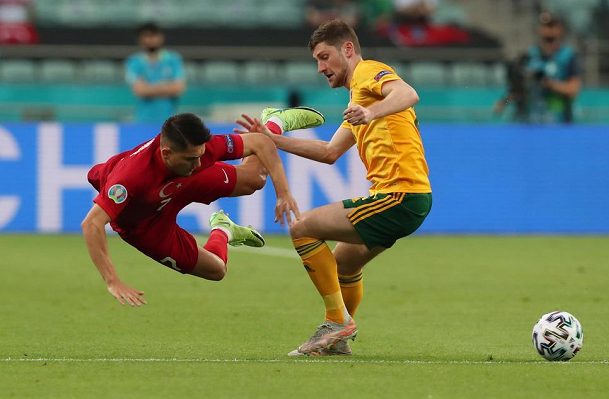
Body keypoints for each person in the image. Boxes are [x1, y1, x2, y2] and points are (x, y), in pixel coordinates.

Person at [236, 19, 432, 356]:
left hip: (400, 194)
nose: (320, 67)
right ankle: (338, 341)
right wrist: (271, 139)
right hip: (407, 198)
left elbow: (408, 93)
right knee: (344, 266)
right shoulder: (359, 100)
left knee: (301, 228)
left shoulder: (369, 73)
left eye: (324, 57)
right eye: (316, 61)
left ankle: (337, 322)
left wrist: (371, 114)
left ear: (348, 50)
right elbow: (328, 153)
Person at [82, 109, 324, 306]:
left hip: (181, 182)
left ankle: (275, 121)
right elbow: (92, 224)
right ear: (166, 153)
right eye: (191, 158)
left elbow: (260, 143)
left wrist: (283, 193)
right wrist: (112, 280)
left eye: (200, 155)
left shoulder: (197, 155)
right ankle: (223, 230)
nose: (199, 163)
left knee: (255, 180)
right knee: (216, 271)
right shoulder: (130, 179)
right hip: (145, 225)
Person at [495, 13, 582, 123]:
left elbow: (573, 89)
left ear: (559, 29)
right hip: (533, 120)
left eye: (551, 26)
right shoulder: (530, 55)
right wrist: (504, 102)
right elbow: (516, 91)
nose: (548, 31)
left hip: (560, 120)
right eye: (545, 26)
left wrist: (548, 83)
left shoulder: (568, 56)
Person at [125, 22, 185, 123]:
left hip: (169, 123)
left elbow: (178, 88)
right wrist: (166, 86)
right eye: (146, 36)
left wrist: (149, 88)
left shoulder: (173, 59)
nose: (150, 40)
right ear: (140, 39)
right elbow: (140, 91)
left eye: (154, 36)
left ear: (161, 38)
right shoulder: (134, 62)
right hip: (143, 121)